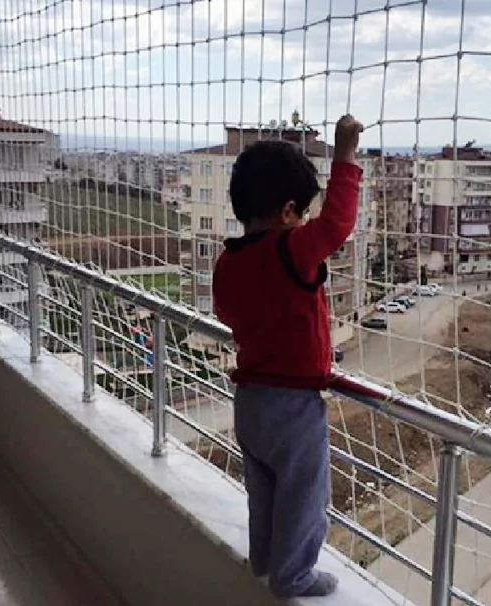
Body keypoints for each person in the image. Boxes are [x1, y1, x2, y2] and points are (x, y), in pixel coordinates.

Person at [212, 115, 363, 598]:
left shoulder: (228, 259)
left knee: (264, 492)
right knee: (303, 495)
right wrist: (344, 154)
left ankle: (264, 558)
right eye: (302, 213)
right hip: (294, 405)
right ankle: (294, 576)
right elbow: (338, 224)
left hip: (250, 399)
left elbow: (228, 314)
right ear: (289, 210)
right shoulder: (292, 249)